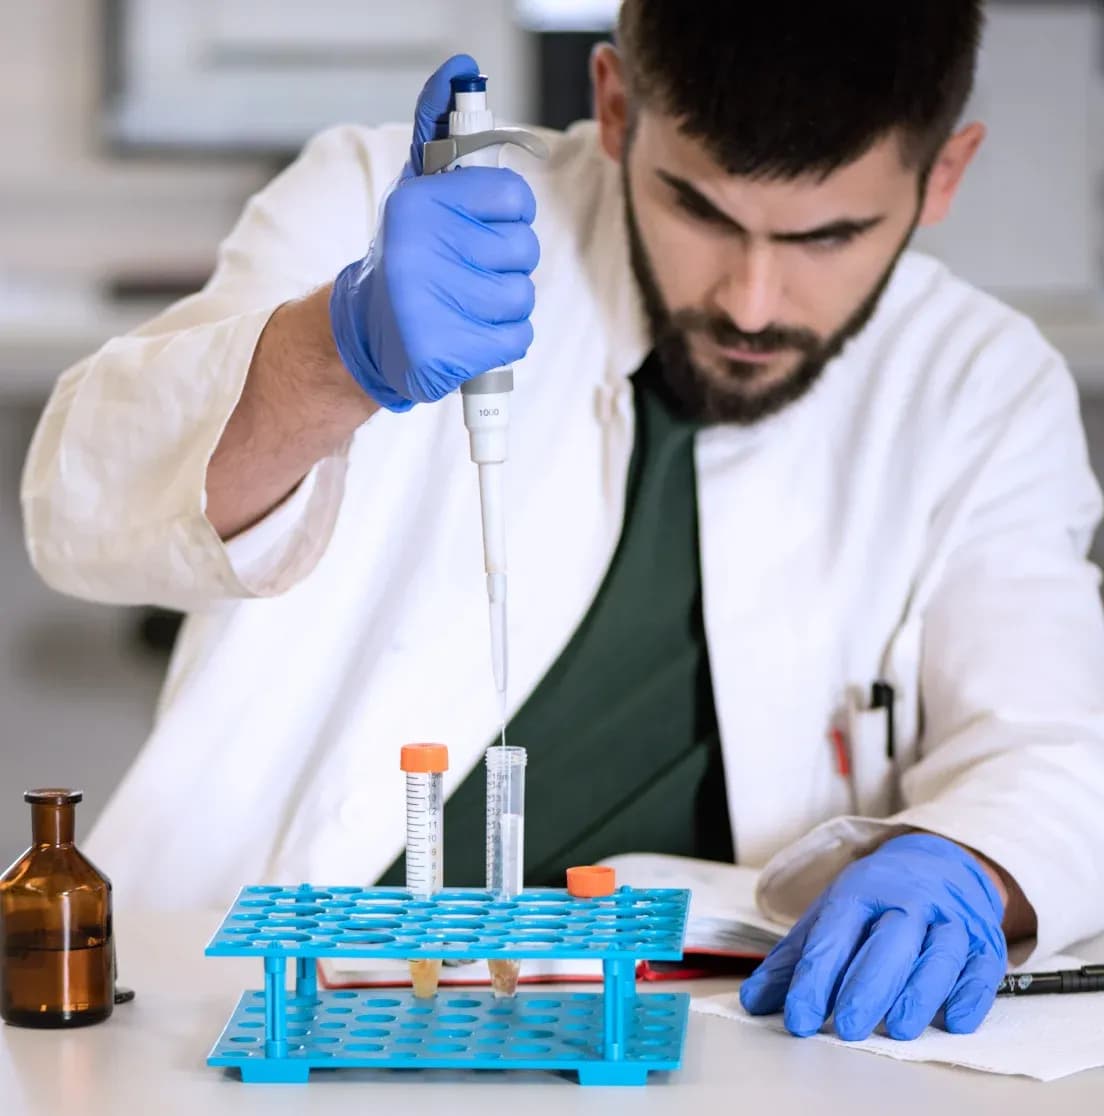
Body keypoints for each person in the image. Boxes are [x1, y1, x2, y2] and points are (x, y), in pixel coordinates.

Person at [20, 1, 1104, 1044]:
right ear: (617, 105)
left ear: (944, 175)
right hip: (267, 1007)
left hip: (712, 1048)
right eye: (702, 210)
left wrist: (977, 862)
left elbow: (1057, 743)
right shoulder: (380, 207)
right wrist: (334, 349)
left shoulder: (979, 386)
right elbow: (80, 507)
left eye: (830, 235)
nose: (754, 301)